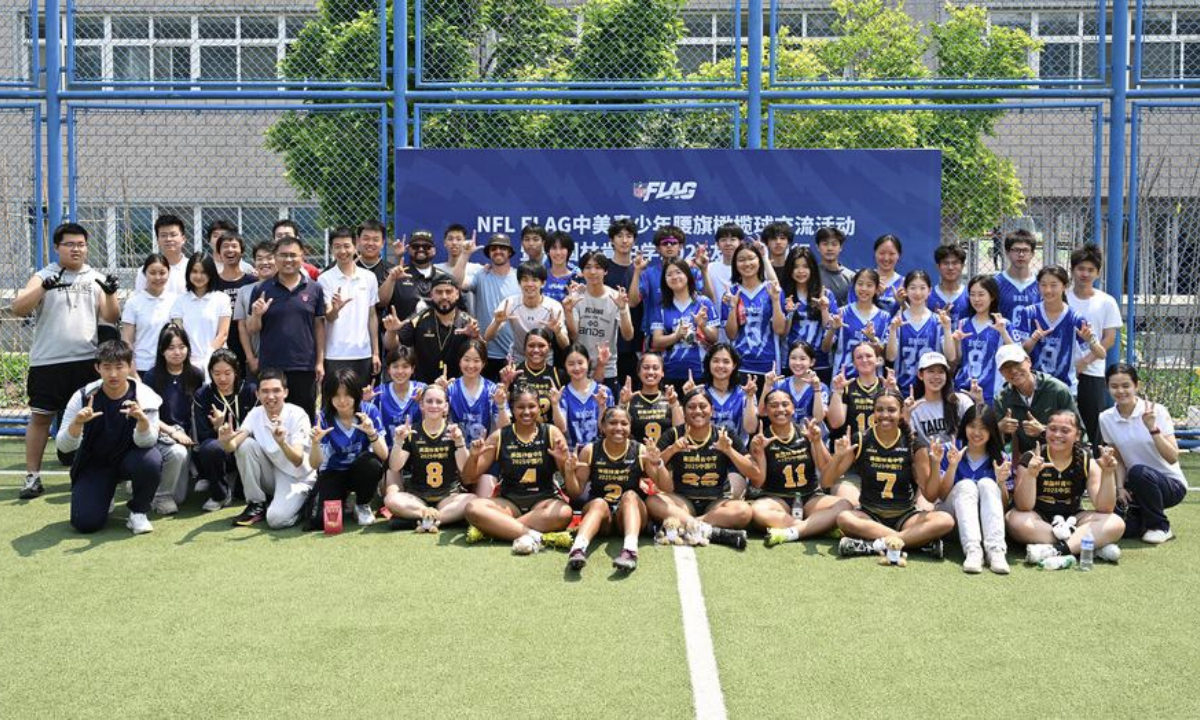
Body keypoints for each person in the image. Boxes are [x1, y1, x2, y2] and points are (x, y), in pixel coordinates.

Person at [13, 222, 120, 499]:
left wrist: (110, 293)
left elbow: (110, 316)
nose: (76, 249)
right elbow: (18, 308)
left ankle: (90, 472)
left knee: (92, 417)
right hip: (47, 361)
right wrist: (43, 289)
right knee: (40, 417)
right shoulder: (42, 275)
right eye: (70, 244)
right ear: (57, 247)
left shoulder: (94, 277)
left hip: (86, 360)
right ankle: (32, 477)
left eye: (81, 244)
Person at [830, 391, 955, 559]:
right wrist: (838, 456)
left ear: (901, 412)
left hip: (905, 515)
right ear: (873, 412)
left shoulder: (913, 444)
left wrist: (935, 463)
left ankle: (873, 546)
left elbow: (931, 497)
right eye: (879, 410)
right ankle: (914, 542)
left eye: (891, 410)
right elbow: (826, 481)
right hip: (869, 515)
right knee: (844, 518)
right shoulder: (862, 439)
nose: (885, 415)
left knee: (946, 520)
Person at [56, 340, 162, 534]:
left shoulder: (145, 396)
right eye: (107, 367)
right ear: (97, 368)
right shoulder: (82, 397)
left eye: (120, 367)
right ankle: (105, 493)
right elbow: (64, 447)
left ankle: (138, 512)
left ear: (129, 367)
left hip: (129, 459)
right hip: (95, 463)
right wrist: (77, 424)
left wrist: (142, 421)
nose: (113, 374)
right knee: (85, 523)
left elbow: (148, 442)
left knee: (151, 459)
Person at [462, 385, 575, 555]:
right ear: (512, 408)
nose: (526, 412)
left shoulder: (551, 433)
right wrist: (473, 456)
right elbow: (468, 478)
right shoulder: (500, 436)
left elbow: (569, 482)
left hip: (543, 502)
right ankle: (533, 535)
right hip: (509, 503)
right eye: (520, 407)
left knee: (564, 513)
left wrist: (563, 461)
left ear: (539, 407)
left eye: (531, 406)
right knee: (472, 508)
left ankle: (501, 527)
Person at [1007, 410, 1125, 566]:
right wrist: (1031, 474)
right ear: (1045, 430)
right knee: (1014, 520)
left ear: (1077, 435)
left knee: (1116, 523)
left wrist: (1108, 473)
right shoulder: (1031, 457)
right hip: (1040, 519)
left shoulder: (1085, 459)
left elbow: (1104, 508)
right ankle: (1088, 545)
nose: (1057, 435)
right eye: (1052, 429)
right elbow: (1024, 506)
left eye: (1065, 430)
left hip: (1072, 519)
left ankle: (1057, 550)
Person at [649, 389, 756, 549]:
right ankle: (711, 531)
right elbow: (653, 464)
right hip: (682, 500)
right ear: (684, 411)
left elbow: (752, 471)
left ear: (711, 410)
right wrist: (672, 450)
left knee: (744, 511)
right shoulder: (674, 434)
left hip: (717, 502)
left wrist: (729, 451)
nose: (697, 411)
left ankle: (690, 525)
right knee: (652, 501)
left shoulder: (724, 434)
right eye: (691, 407)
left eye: (702, 406)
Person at [563, 407, 663, 572]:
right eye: (613, 423)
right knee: (598, 503)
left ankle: (630, 551)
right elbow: (575, 493)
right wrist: (568, 472)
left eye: (624, 423)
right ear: (602, 426)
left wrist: (657, 464)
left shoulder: (639, 450)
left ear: (630, 427)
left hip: (630, 515)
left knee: (630, 495)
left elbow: (666, 486)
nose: (618, 428)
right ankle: (578, 549)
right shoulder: (590, 450)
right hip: (604, 520)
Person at [1100, 364, 1187, 544]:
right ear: (1107, 387)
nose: (1120, 391)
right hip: (1134, 485)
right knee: (1121, 528)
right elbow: (1119, 458)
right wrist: (1120, 489)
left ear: (1136, 386)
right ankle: (1142, 520)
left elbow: (1172, 457)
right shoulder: (1105, 418)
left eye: (1126, 385)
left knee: (1139, 472)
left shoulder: (1157, 411)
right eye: (1114, 386)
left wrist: (1152, 428)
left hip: (1170, 485)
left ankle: (1160, 526)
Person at [753, 391, 852, 546]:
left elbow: (827, 474)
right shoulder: (762, 438)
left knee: (845, 505)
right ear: (765, 410)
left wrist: (817, 441)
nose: (780, 409)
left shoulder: (806, 433)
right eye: (774, 405)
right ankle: (818, 527)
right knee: (757, 511)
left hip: (810, 497)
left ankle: (792, 532)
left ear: (793, 407)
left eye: (785, 404)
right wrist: (758, 452)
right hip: (777, 499)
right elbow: (758, 482)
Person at [222, 369, 316, 528]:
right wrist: (225, 441)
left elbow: (298, 460)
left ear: (285, 392)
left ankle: (303, 506)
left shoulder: (298, 414)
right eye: (265, 391)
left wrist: (282, 443)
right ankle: (256, 504)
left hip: (297, 477)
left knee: (276, 520)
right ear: (257, 394)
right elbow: (233, 446)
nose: (270, 396)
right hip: (272, 473)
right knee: (246, 446)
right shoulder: (255, 413)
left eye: (276, 391)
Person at [245, 236, 325, 420]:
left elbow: (319, 326)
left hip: (304, 365)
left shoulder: (314, 289)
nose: (288, 260)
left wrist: (319, 362)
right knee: (272, 416)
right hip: (272, 366)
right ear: (274, 257)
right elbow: (252, 328)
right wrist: (257, 314)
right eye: (282, 255)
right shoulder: (262, 289)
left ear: (302, 256)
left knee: (304, 417)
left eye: (293, 255)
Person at [933, 404, 1012, 574]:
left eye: (983, 428)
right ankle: (973, 551)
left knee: (987, 483)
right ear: (964, 426)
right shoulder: (951, 449)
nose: (976, 433)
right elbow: (941, 494)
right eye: (972, 426)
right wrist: (952, 466)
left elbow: (1003, 507)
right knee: (966, 485)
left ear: (992, 430)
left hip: (986, 525)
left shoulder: (1000, 457)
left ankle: (996, 551)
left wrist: (1001, 482)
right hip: (953, 521)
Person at [385, 384, 475, 530]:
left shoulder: (454, 430)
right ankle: (440, 519)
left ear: (446, 406)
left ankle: (422, 521)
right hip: (417, 497)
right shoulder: (412, 431)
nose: (434, 405)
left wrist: (459, 442)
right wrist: (398, 442)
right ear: (421, 405)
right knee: (391, 499)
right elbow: (395, 467)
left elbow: (465, 469)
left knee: (472, 500)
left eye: (439, 402)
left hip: (448, 495)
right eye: (429, 401)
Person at [308, 369, 387, 529]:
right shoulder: (323, 418)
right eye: (336, 395)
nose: (342, 401)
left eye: (347, 394)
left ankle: (362, 503)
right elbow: (315, 465)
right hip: (334, 472)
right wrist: (315, 443)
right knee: (318, 522)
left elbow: (384, 455)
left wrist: (371, 433)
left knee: (371, 463)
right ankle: (343, 499)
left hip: (360, 472)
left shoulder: (369, 411)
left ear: (356, 393)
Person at [141, 324, 205, 514]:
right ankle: (159, 494)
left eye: (181, 346)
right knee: (178, 453)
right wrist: (172, 431)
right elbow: (149, 415)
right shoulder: (152, 377)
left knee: (180, 498)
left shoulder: (195, 375)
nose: (177, 352)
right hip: (161, 434)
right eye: (171, 348)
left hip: (188, 436)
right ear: (162, 351)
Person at [1067, 244, 1123, 454]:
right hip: (1063, 372)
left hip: (1092, 372)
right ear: (1073, 270)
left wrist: (1086, 361)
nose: (1085, 274)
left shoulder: (1106, 302)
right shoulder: (1062, 298)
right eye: (1081, 268)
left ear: (1098, 273)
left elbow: (1109, 339)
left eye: (1091, 270)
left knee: (1095, 426)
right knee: (1064, 424)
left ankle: (1101, 474)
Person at [191, 349, 257, 512]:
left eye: (228, 373)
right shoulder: (203, 395)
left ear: (236, 371)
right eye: (217, 373)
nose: (222, 378)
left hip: (244, 446)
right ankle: (219, 494)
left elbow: (258, 427)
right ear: (210, 373)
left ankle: (237, 482)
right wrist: (217, 428)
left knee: (242, 495)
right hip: (219, 448)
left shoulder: (250, 391)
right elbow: (201, 436)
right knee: (211, 448)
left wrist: (238, 436)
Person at [993, 344, 1084, 458]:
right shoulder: (1002, 399)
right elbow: (998, 443)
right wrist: (1000, 428)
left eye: (1017, 364)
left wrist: (1045, 431)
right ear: (1001, 373)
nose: (1013, 370)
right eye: (1006, 368)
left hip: (1062, 456)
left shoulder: (1057, 390)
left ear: (1028, 361)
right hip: (1027, 460)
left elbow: (1080, 433)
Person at [563, 251, 634, 395]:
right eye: (588, 267)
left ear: (605, 271)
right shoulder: (576, 298)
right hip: (580, 367)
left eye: (598, 267)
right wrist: (568, 312)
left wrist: (622, 309)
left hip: (607, 369)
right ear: (582, 272)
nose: (593, 272)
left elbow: (628, 335)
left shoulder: (617, 297)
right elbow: (573, 334)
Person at [387, 275, 480, 384]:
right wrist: (391, 331)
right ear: (431, 295)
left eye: (449, 292)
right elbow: (391, 345)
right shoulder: (418, 319)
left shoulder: (468, 322)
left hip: (457, 388)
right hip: (423, 388)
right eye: (439, 292)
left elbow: (481, 355)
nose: (444, 296)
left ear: (457, 294)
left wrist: (475, 337)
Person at [1011, 266, 1091, 393]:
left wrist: (1087, 352)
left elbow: (1098, 352)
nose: (1048, 290)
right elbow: (1020, 352)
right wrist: (1034, 338)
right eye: (1043, 285)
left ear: (1064, 286)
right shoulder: (1029, 313)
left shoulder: (1075, 318)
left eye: (1054, 285)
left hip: (1065, 387)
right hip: (1032, 386)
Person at [318, 227, 381, 383]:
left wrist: (375, 353)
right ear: (331, 249)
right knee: (335, 402)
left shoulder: (369, 277)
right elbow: (329, 317)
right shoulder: (325, 279)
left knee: (362, 402)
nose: (342, 251)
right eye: (337, 246)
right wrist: (336, 309)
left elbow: (372, 315)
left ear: (355, 246)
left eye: (346, 246)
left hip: (363, 354)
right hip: (335, 354)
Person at [454, 233, 520, 378]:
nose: (498, 251)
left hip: (513, 354)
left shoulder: (519, 277)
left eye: (502, 248)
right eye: (493, 248)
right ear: (489, 253)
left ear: (510, 252)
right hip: (485, 353)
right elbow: (457, 282)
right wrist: (465, 254)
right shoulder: (481, 275)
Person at [649, 258, 718, 392]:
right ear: (665, 280)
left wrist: (702, 326)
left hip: (701, 372)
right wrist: (677, 335)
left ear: (688, 275)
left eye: (678, 272)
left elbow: (714, 338)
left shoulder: (703, 303)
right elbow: (656, 341)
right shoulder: (662, 307)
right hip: (670, 373)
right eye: (669, 274)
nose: (674, 277)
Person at [884, 270, 956, 397]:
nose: (917, 293)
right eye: (912, 288)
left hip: (931, 390)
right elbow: (890, 357)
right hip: (902, 389)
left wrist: (947, 329)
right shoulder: (898, 320)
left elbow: (951, 356)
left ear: (929, 291)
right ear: (905, 290)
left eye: (922, 288)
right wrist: (893, 330)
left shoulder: (938, 321)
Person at [629, 225, 707, 341]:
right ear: (658, 249)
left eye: (673, 243)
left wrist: (704, 270)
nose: (669, 245)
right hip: (656, 339)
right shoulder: (648, 274)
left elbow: (708, 300)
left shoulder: (692, 272)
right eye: (665, 243)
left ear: (680, 246)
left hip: (689, 336)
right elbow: (633, 302)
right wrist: (637, 272)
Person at [723, 241, 787, 379]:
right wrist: (732, 307)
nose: (747, 264)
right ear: (735, 264)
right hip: (740, 365)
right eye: (741, 260)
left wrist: (775, 300)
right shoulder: (731, 292)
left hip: (769, 365)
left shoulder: (773, 290)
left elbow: (780, 330)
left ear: (760, 261)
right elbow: (731, 335)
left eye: (751, 258)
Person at [483, 261, 569, 364]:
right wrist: (496, 323)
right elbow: (487, 337)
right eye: (525, 279)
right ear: (519, 283)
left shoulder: (553, 307)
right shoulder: (509, 303)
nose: (529, 284)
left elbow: (566, 345)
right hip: (518, 358)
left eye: (534, 280)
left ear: (543, 283)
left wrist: (558, 332)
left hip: (544, 359)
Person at [952, 274, 1013, 405]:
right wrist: (956, 342)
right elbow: (959, 360)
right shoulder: (963, 324)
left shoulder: (1003, 324)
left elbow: (1016, 354)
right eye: (972, 294)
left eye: (981, 294)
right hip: (963, 388)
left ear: (992, 296)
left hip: (991, 392)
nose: (976, 299)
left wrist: (1003, 332)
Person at [781, 245, 838, 384]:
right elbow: (782, 333)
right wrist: (789, 314)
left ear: (812, 268)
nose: (801, 271)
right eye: (796, 267)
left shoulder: (826, 294)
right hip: (792, 363)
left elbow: (830, 329)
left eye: (805, 266)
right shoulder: (783, 295)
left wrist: (824, 309)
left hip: (821, 363)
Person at [169, 253, 231, 378]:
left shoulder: (222, 299)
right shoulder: (179, 301)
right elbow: (179, 333)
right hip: (188, 363)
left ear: (211, 273)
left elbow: (223, 334)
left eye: (203, 272)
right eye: (194, 271)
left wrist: (208, 357)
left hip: (217, 361)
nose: (198, 276)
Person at [445, 339, 510, 447]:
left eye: (476, 360)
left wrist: (501, 405)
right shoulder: (450, 388)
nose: (471, 365)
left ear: (483, 363)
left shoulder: (492, 390)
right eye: (466, 360)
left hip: (485, 452)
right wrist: (439, 391)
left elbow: (505, 430)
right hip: (456, 452)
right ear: (459, 361)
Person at [689, 343, 759, 443]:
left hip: (737, 453)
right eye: (716, 361)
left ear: (734, 365)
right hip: (707, 454)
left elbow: (751, 429)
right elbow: (688, 429)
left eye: (726, 362)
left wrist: (750, 397)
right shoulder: (699, 392)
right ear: (709, 363)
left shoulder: (745, 393)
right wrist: (690, 397)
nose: (720, 365)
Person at [121, 253, 179, 373]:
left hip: (170, 367)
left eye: (162, 273)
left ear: (169, 273)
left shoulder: (177, 301)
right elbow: (127, 340)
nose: (158, 277)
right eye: (152, 273)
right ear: (144, 274)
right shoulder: (133, 303)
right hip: (142, 367)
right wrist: (132, 371)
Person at [602, 218, 643, 384]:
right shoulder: (603, 270)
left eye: (629, 236)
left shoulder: (641, 269)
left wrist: (638, 272)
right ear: (611, 240)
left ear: (634, 239)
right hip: (608, 343)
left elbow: (635, 302)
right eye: (619, 236)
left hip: (634, 344)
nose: (624, 240)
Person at [828, 269, 889, 379]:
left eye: (869, 285)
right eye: (860, 284)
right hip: (842, 379)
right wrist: (832, 329)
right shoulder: (841, 313)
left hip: (872, 382)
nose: (864, 288)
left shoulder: (884, 317)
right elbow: (825, 348)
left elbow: (888, 355)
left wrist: (873, 339)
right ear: (854, 286)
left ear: (876, 289)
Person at [381, 230, 452, 321]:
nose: (421, 249)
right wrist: (391, 279)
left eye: (426, 246)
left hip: (436, 334)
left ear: (434, 250)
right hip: (401, 333)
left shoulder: (445, 278)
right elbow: (381, 303)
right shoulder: (394, 274)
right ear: (409, 249)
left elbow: (456, 311)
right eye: (416, 246)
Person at [551, 344, 613, 449]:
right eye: (571, 364)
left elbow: (606, 429)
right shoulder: (562, 394)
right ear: (565, 366)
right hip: (571, 454)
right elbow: (562, 429)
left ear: (588, 362)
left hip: (599, 453)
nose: (576, 368)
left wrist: (602, 407)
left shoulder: (603, 392)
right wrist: (555, 404)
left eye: (580, 363)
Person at [908, 351, 974, 450]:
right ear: (920, 375)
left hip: (958, 458)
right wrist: (906, 415)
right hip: (928, 461)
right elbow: (909, 441)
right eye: (931, 371)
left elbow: (978, 425)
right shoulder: (913, 408)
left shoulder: (961, 400)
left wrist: (979, 401)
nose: (936, 376)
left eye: (941, 372)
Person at [499, 328, 565, 424]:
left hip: (547, 434)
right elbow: (502, 411)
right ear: (524, 348)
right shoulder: (513, 373)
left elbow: (562, 425)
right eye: (531, 345)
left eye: (541, 345)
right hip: (517, 434)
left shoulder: (558, 375)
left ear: (550, 347)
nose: (536, 350)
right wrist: (505, 383)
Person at [212, 234, 258, 371]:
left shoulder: (253, 282)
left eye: (234, 246)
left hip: (249, 342)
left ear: (242, 251)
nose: (230, 250)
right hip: (222, 341)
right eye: (225, 247)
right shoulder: (212, 283)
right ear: (219, 253)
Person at [234, 240, 277, 377]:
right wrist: (250, 358)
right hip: (257, 358)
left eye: (270, 258)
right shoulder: (244, 291)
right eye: (259, 259)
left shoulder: (286, 289)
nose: (265, 262)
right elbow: (242, 327)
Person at [619, 352, 682, 446]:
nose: (651, 372)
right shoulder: (630, 399)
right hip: (638, 456)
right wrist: (622, 403)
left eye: (655, 368)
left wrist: (674, 404)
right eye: (646, 367)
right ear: (639, 372)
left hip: (665, 456)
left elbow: (680, 433)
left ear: (662, 373)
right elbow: (618, 430)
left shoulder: (670, 398)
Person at [371, 347, 426, 448]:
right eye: (395, 366)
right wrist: (365, 403)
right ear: (388, 369)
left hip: (417, 452)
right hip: (388, 452)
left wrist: (423, 404)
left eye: (405, 366)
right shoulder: (379, 393)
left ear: (413, 369)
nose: (400, 371)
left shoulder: (422, 390)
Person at [764, 341, 828, 426]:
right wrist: (767, 385)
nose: (797, 363)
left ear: (812, 362)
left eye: (802, 359)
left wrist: (817, 389)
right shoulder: (780, 384)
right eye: (793, 358)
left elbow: (818, 418)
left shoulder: (821, 387)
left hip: (812, 436)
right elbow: (763, 412)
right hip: (786, 436)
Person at [705, 223, 746, 340]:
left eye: (733, 239)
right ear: (717, 244)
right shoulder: (709, 268)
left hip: (744, 334)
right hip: (716, 333)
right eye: (723, 240)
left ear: (741, 242)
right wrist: (703, 270)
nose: (728, 243)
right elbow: (707, 299)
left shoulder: (748, 267)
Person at [136, 214, 189, 294]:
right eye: (163, 235)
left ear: (183, 239)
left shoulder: (193, 268)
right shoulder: (146, 270)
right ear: (158, 240)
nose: (168, 239)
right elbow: (139, 301)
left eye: (173, 235)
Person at [995, 229, 1040, 320]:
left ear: (1032, 254)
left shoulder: (1040, 284)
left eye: (1025, 250)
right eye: (1016, 250)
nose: (1021, 254)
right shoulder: (996, 283)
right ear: (1007, 253)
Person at [436, 223, 481, 310]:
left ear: (465, 241)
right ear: (445, 243)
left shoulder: (477, 269)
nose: (454, 243)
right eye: (450, 239)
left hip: (470, 321)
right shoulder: (436, 270)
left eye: (459, 239)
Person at [815, 225, 856, 307]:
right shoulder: (813, 274)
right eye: (825, 244)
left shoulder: (851, 277)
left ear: (840, 247)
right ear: (817, 247)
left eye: (834, 244)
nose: (829, 248)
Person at [929, 243, 970, 325]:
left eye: (955, 263)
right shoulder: (928, 296)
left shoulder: (970, 295)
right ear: (938, 266)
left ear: (962, 266)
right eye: (945, 263)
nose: (950, 267)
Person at [872, 234, 906, 315]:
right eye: (882, 253)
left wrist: (902, 303)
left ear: (899, 255)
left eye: (891, 254)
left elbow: (914, 316)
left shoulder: (905, 284)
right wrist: (873, 296)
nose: (886, 258)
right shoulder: (863, 280)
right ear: (875, 253)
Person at [354, 219, 394, 286]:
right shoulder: (343, 268)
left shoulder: (390, 272)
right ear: (358, 240)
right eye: (366, 239)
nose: (370, 243)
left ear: (382, 243)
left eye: (376, 240)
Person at [543, 231, 579, 302]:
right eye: (554, 248)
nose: (558, 253)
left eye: (562, 248)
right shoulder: (541, 276)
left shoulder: (577, 278)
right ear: (548, 251)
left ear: (569, 251)